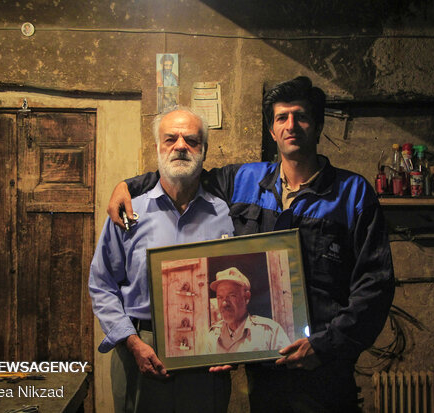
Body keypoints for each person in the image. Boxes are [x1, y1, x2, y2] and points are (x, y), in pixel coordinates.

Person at [108, 76, 395, 413]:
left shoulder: (353, 193)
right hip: (265, 374)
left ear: (317, 126)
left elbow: (375, 286)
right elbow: (184, 170)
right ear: (272, 131)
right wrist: (128, 185)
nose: (291, 125)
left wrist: (326, 347)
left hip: (325, 370)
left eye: (301, 116)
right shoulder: (243, 181)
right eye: (281, 118)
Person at [89, 107, 234, 413]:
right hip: (141, 351)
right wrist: (131, 341)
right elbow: (102, 285)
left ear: (204, 151)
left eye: (192, 140)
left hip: (208, 356)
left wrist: (236, 346)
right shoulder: (127, 213)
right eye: (170, 139)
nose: (181, 146)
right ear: (157, 147)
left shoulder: (227, 215)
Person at [205, 267, 291, 354]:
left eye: (231, 296)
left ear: (246, 297)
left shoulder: (269, 332)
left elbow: (286, 364)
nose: (224, 304)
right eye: (220, 297)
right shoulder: (212, 336)